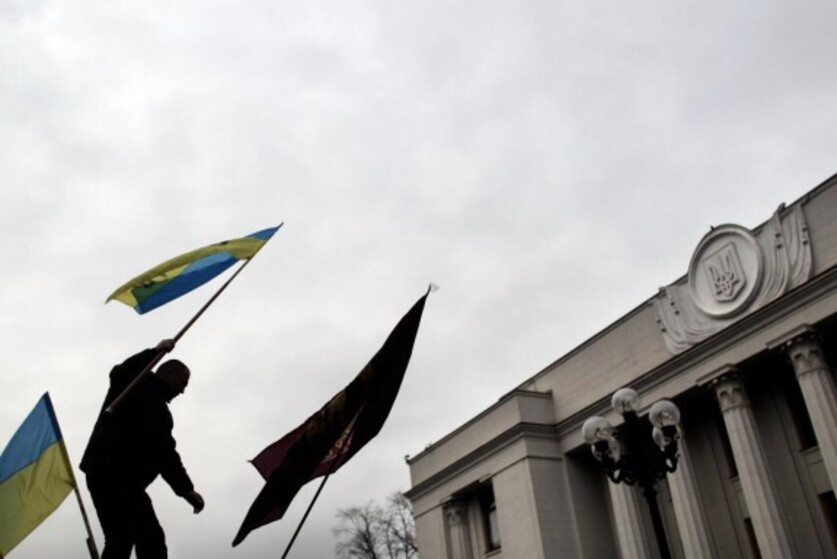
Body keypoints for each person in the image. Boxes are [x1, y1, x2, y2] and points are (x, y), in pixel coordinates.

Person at [81, 339, 204, 559]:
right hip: (106, 470)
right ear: (169, 373)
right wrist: (155, 352)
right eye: (183, 383)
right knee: (121, 536)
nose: (183, 390)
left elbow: (167, 456)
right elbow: (120, 371)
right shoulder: (135, 382)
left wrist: (186, 490)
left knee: (152, 541)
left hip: (132, 483)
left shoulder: (163, 416)